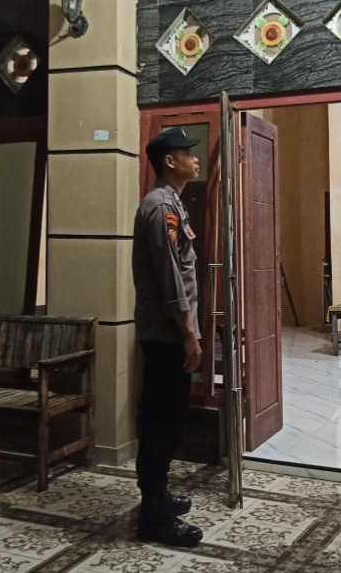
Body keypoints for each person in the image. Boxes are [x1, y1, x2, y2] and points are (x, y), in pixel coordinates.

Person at [132, 127, 204, 547]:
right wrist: (189, 334)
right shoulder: (160, 207)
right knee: (161, 422)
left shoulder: (171, 203)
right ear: (169, 161)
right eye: (187, 153)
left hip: (170, 332)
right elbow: (170, 277)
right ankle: (153, 516)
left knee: (169, 419)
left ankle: (157, 496)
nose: (195, 159)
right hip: (167, 334)